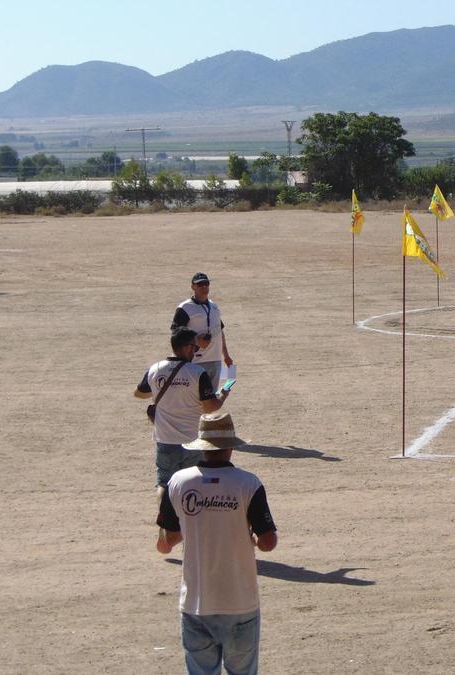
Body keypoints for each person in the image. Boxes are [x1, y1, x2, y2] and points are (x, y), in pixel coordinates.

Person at [156, 412, 278, 675]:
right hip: (240, 601)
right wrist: (252, 538)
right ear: (231, 447)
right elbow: (268, 542)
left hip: (196, 602)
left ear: (201, 446)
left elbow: (168, 540)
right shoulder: (248, 484)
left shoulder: (177, 482)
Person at [135, 327, 228, 498]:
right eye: (195, 347)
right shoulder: (198, 373)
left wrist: (160, 388)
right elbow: (210, 407)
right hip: (192, 440)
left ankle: (164, 523)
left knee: (165, 484)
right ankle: (188, 521)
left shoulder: (155, 369)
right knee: (193, 485)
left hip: (165, 439)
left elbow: (139, 393)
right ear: (186, 347)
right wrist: (222, 396)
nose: (196, 351)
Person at [172, 272, 234, 388]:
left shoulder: (214, 307)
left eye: (206, 284)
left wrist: (226, 355)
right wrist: (196, 340)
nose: (204, 287)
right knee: (193, 398)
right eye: (200, 284)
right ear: (193, 287)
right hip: (194, 362)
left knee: (210, 398)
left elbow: (219, 332)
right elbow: (175, 335)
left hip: (214, 360)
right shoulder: (185, 308)